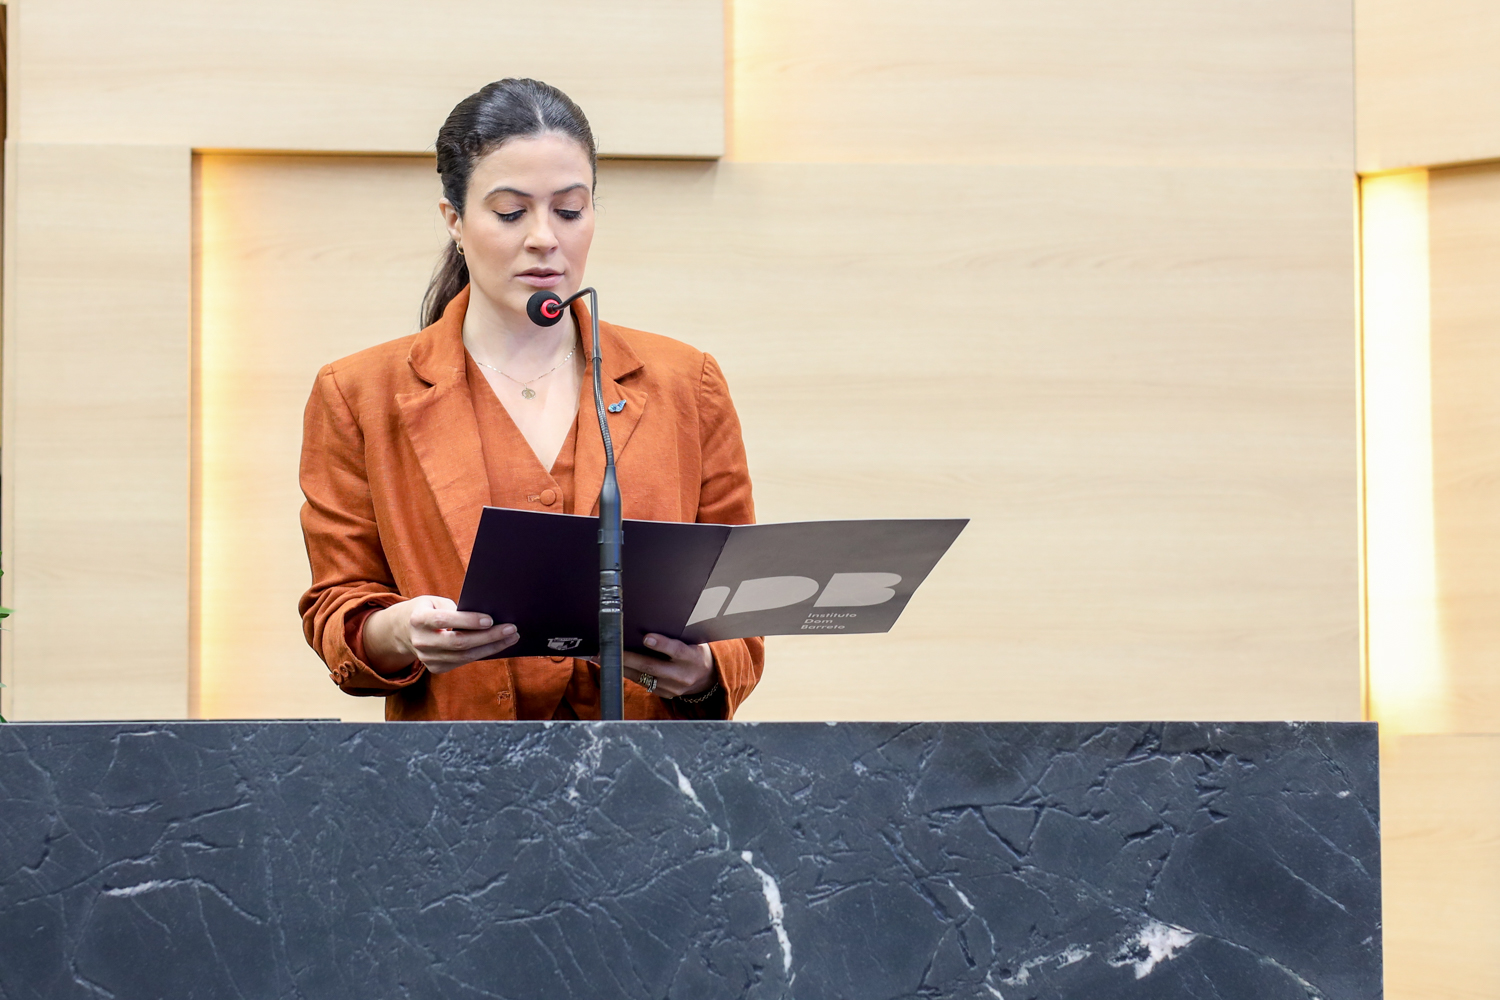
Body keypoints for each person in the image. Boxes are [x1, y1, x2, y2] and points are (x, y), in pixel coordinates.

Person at [298, 79, 762, 720]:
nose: (545, 238)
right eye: (511, 213)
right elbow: (337, 607)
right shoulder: (358, 394)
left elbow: (738, 609)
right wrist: (399, 631)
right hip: (450, 790)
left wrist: (705, 669)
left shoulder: (688, 383)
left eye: (569, 211)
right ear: (454, 220)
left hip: (654, 788)